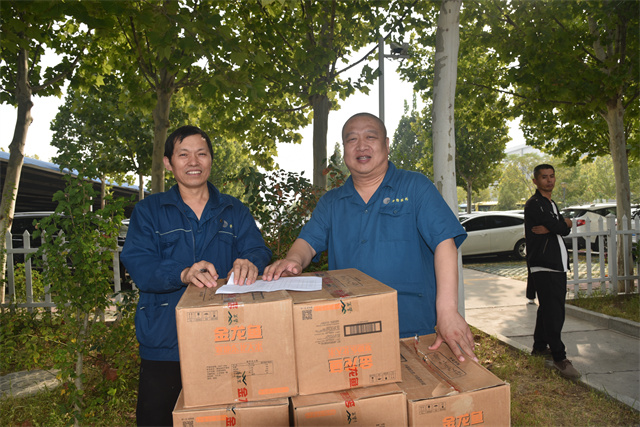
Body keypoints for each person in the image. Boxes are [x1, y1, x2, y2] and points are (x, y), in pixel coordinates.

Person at [263, 112, 476, 362]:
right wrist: (293, 260)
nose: (361, 146)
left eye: (370, 137)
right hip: (350, 331)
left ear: (386, 144)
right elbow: (308, 243)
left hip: (415, 330)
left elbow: (444, 242)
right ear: (344, 150)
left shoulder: (416, 187)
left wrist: (448, 311)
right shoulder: (332, 202)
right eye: (351, 139)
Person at [121, 125, 272, 426]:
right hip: (165, 342)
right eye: (184, 155)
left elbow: (258, 249)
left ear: (211, 160)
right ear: (168, 163)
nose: (193, 162)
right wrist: (182, 273)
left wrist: (250, 262)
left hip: (226, 338)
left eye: (201, 154)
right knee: (158, 419)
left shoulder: (234, 210)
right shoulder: (149, 211)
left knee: (223, 418)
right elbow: (139, 263)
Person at [524, 164, 581, 379]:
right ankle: (559, 358)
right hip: (545, 264)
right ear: (535, 181)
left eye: (552, 176)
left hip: (556, 265)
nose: (549, 180)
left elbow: (558, 227)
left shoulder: (550, 203)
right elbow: (561, 227)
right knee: (555, 312)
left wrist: (556, 225)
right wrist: (561, 224)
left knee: (547, 308)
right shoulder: (535, 204)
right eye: (544, 177)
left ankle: (540, 347)